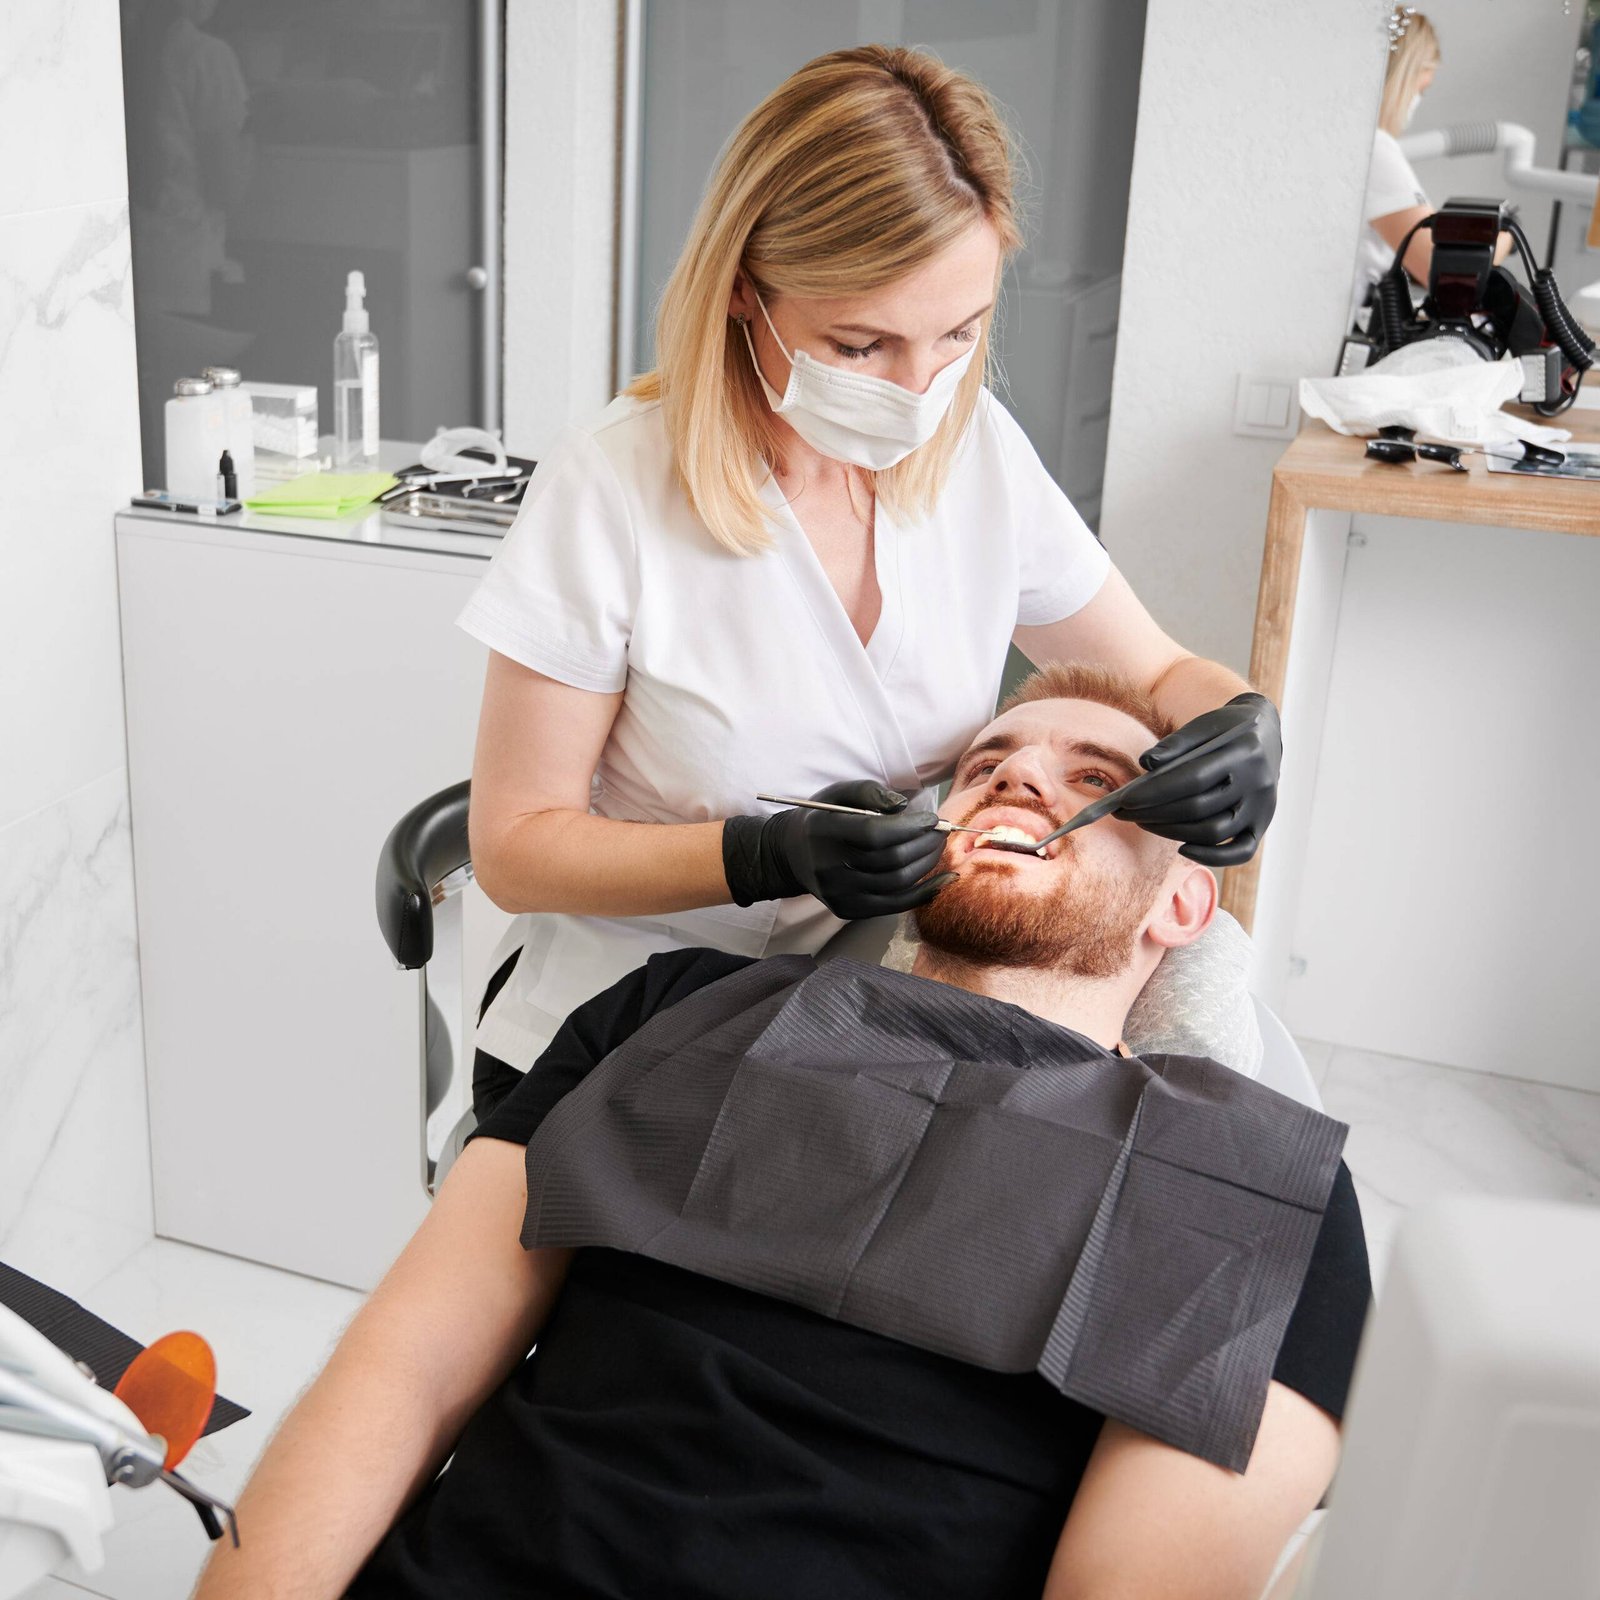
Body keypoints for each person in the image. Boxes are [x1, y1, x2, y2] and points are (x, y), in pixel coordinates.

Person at [192, 663, 1367, 1600]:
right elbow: (406, 1368)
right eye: (985, 766)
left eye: (1091, 774)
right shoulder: (674, 1010)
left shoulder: (1257, 1186)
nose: (1017, 783)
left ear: (1183, 901)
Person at [459, 44, 1283, 1118]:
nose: (916, 388)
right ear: (746, 294)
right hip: (618, 1037)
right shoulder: (611, 490)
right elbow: (516, 849)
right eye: (860, 344)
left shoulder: (976, 447)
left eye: (958, 333)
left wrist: (1241, 720)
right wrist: (761, 854)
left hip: (858, 1035)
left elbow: (1164, 668)